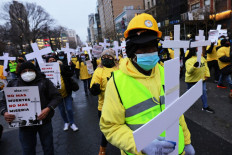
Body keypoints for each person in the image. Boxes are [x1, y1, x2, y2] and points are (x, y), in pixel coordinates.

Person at [100, 13, 195, 155]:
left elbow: (176, 112)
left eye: (152, 47)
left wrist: (186, 141)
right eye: (143, 48)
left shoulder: (165, 72)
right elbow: (111, 127)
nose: (150, 52)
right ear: (131, 50)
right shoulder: (117, 83)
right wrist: (140, 143)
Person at [0, 61, 62, 155]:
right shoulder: (13, 84)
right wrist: (4, 112)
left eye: (30, 70)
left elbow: (57, 97)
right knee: (28, 150)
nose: (27, 73)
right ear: (20, 73)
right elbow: (3, 102)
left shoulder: (44, 82)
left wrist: (49, 108)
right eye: (24, 71)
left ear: (35, 71)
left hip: (44, 121)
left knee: (48, 147)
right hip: (24, 125)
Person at [89, 49, 119, 155]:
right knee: (105, 130)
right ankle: (102, 149)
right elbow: (93, 87)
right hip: (104, 107)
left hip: (120, 106)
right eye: (104, 57)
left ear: (114, 58)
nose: (107, 58)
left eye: (109, 56)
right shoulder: (99, 71)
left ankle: (123, 148)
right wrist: (94, 89)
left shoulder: (119, 68)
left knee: (121, 128)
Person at [47, 56, 79, 131]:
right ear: (47, 62)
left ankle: (72, 123)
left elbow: (70, 74)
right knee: (61, 110)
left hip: (67, 92)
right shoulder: (46, 71)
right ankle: (66, 122)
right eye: (50, 60)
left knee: (69, 109)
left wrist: (69, 66)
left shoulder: (62, 67)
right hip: (57, 96)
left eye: (53, 60)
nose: (52, 61)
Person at [185, 47, 215, 113]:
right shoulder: (189, 61)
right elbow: (189, 72)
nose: (200, 51)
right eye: (197, 50)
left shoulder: (202, 58)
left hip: (201, 80)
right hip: (191, 81)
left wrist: (207, 75)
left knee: (203, 92)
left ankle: (205, 106)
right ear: (193, 51)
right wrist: (194, 67)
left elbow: (206, 67)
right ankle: (187, 103)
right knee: (190, 93)